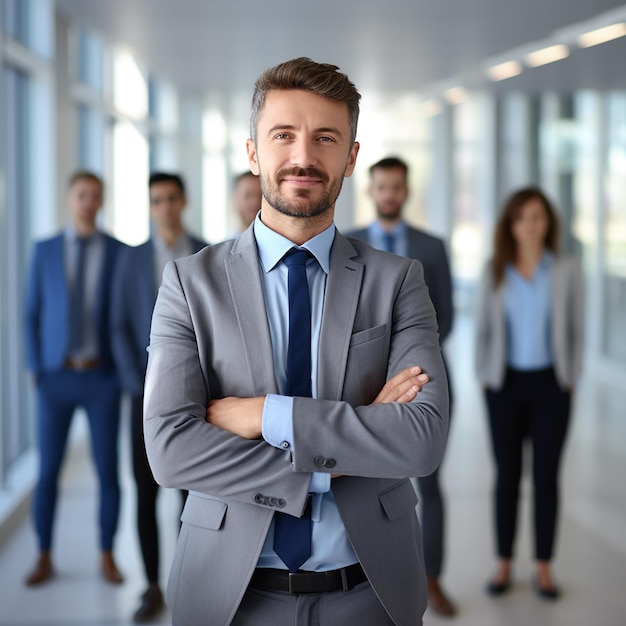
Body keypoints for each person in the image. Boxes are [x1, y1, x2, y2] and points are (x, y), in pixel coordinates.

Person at [143, 57, 449, 626]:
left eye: (325, 138)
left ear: (351, 157)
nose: (303, 157)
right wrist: (332, 462)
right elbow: (169, 448)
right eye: (283, 135)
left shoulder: (398, 280)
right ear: (253, 151)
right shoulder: (189, 284)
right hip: (230, 594)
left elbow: (422, 440)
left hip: (370, 591)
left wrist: (265, 414)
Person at [346, 156, 456, 617]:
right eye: (382, 186)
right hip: (363, 387)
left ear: (406, 191)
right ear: (371, 190)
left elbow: (444, 317)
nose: (389, 194)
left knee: (430, 481)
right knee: (365, 480)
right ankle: (373, 574)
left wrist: (408, 370)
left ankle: (432, 577)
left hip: (423, 380)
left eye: (397, 187)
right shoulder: (347, 243)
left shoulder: (431, 246)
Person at [475, 187, 584, 600]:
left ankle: (543, 567)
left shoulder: (566, 270)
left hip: (552, 386)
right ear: (511, 225)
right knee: (507, 477)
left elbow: (576, 328)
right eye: (522, 217)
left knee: (546, 478)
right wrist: (484, 375)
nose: (530, 225)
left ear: (548, 223)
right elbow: (483, 329)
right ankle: (503, 562)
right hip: (504, 385)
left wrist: (571, 376)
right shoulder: (494, 270)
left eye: (537, 216)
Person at [110, 172, 207, 622]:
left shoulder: (206, 253)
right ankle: (150, 586)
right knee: (145, 491)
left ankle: (191, 581)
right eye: (157, 200)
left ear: (182, 200)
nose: (165, 207)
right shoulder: (130, 260)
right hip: (142, 398)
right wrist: (140, 385)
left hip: (198, 399)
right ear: (150, 206)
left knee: (194, 494)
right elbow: (117, 325)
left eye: (171, 198)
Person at [24, 171, 127, 586]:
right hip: (56, 379)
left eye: (95, 196)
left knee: (108, 471)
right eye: (82, 195)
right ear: (70, 199)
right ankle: (44, 554)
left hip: (102, 378)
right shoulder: (44, 250)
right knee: (47, 471)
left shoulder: (119, 252)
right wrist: (36, 371)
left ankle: (107, 554)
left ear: (101, 202)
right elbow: (30, 313)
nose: (88, 202)